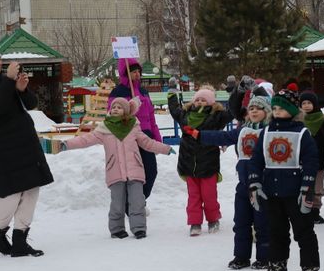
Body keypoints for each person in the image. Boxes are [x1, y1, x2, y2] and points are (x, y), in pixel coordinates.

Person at [0, 41, 53, 258]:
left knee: (32, 189)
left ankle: (20, 239)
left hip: (25, 142)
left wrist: (22, 90)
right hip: (4, 147)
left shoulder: (7, 81)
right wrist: (9, 81)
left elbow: (32, 103)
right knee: (12, 193)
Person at [57, 97, 174, 238]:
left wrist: (165, 148)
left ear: (125, 111)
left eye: (119, 107)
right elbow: (85, 140)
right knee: (117, 203)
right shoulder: (104, 129)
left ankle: (139, 228)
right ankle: (117, 229)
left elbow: (148, 143)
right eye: (113, 107)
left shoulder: (134, 127)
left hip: (135, 169)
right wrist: (67, 144)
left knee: (137, 201)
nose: (115, 109)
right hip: (115, 171)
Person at [184, 91, 272, 270]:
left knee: (262, 223)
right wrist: (199, 134)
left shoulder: (271, 132)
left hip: (263, 185)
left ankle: (265, 257)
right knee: (241, 222)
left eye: (259, 108)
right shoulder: (242, 131)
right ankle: (241, 256)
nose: (254, 112)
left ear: (267, 111)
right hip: (244, 184)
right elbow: (222, 137)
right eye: (251, 108)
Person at [249, 90, 321, 271]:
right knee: (276, 231)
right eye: (274, 108)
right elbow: (256, 159)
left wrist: (307, 187)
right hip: (272, 192)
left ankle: (310, 269)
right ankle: (278, 265)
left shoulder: (302, 133)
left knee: (304, 231)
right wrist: (254, 182)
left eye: (281, 108)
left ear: (291, 109)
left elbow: (311, 160)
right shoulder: (265, 133)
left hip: (295, 192)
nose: (277, 112)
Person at [170, 87, 230, 235]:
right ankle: (195, 223)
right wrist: (172, 93)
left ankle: (213, 219)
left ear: (210, 103)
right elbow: (174, 111)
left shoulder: (216, 117)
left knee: (209, 195)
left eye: (204, 100)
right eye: (197, 99)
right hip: (189, 163)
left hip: (208, 164)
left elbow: (231, 113)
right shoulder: (186, 116)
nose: (200, 102)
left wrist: (235, 92)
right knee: (194, 196)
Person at [110, 59, 163, 201]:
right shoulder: (118, 92)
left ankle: (139, 200)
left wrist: (157, 138)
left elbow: (151, 116)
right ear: (125, 74)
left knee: (151, 171)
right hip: (129, 136)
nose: (137, 74)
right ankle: (132, 204)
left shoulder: (144, 91)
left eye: (138, 71)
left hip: (146, 135)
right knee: (133, 173)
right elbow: (113, 116)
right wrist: (130, 107)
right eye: (133, 72)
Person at [299, 90, 324, 225]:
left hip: (318, 163)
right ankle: (302, 211)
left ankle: (315, 212)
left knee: (316, 188)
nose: (306, 105)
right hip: (300, 164)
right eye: (303, 103)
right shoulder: (298, 123)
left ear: (314, 104)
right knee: (302, 187)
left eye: (309, 102)